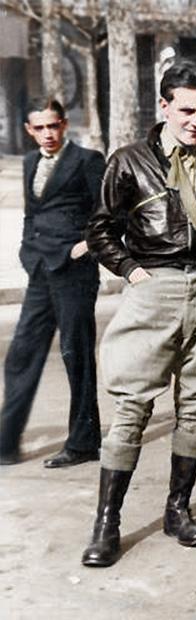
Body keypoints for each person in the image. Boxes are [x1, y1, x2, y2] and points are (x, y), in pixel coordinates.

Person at [81, 59, 196, 567]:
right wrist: (133, 273)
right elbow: (100, 230)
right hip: (151, 289)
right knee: (131, 409)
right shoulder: (129, 161)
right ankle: (107, 523)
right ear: (164, 106)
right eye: (187, 110)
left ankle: (178, 511)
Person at [0, 98, 105, 468]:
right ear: (29, 130)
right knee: (20, 355)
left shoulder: (88, 160)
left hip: (75, 272)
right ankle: (5, 444)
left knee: (76, 356)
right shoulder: (30, 162)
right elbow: (33, 213)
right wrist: (28, 253)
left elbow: (109, 213)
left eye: (53, 126)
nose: (47, 134)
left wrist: (86, 247)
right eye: (39, 128)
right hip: (40, 271)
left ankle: (83, 442)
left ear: (63, 125)